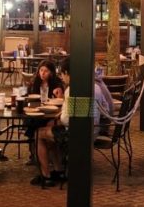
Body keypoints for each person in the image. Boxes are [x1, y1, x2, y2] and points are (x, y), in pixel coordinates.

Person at [33, 58, 114, 187]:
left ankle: (46, 175)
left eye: (62, 74)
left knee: (39, 134)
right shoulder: (95, 86)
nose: (62, 78)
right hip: (93, 131)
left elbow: (66, 120)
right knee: (51, 131)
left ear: (67, 73)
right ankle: (59, 171)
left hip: (76, 136)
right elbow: (106, 108)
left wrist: (58, 118)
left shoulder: (72, 90)